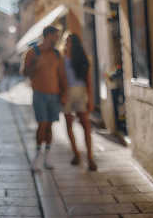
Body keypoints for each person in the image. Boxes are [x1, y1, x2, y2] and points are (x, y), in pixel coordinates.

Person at [21, 26, 67, 171]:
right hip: (39, 94)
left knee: (49, 126)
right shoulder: (32, 52)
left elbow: (61, 75)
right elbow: (25, 73)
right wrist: (35, 64)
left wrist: (64, 93)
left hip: (54, 94)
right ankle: (38, 155)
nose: (57, 39)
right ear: (49, 35)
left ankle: (48, 155)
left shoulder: (56, 54)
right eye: (56, 36)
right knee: (42, 124)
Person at [62, 33, 97, 171]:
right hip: (67, 94)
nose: (67, 43)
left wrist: (91, 100)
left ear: (75, 43)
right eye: (65, 41)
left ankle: (90, 158)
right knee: (69, 124)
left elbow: (88, 81)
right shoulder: (61, 60)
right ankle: (76, 154)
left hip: (81, 94)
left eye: (70, 41)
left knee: (86, 126)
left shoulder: (81, 60)